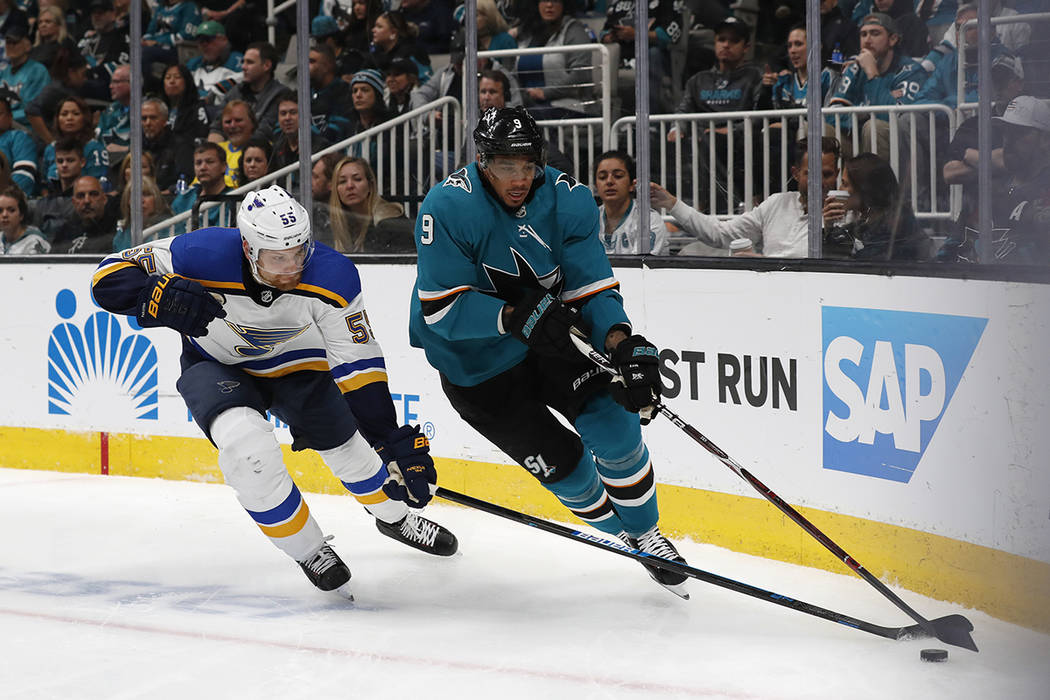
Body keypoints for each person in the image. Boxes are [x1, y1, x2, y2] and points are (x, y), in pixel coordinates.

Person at [90, 183, 458, 599]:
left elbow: (359, 364)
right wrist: (149, 295)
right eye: (277, 257)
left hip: (299, 369)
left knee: (354, 452)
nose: (291, 267)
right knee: (247, 453)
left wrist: (386, 438)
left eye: (298, 253)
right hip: (215, 365)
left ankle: (395, 517)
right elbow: (105, 275)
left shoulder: (333, 277)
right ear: (248, 248)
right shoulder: (199, 253)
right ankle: (310, 550)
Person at [409, 107, 690, 597]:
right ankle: (622, 535)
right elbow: (441, 310)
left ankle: (647, 533)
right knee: (568, 469)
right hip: (476, 368)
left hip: (550, 341)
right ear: (482, 161)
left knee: (616, 424)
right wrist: (513, 317)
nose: (519, 178)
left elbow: (591, 287)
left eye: (527, 164)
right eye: (504, 165)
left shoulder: (570, 200)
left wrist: (622, 345)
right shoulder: (447, 206)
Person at [654, 137, 842, 258]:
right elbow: (720, 234)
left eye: (827, 174)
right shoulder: (776, 203)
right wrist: (672, 204)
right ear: (795, 173)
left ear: (837, 173)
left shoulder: (845, 213)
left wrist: (761, 263)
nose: (819, 182)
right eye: (811, 174)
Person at [938, 54, 1024, 263]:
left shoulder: (1029, 123)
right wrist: (997, 161)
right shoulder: (974, 124)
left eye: (1005, 79)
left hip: (1014, 223)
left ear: (1020, 83)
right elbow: (949, 173)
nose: (999, 86)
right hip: (970, 222)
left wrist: (968, 154)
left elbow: (1011, 159)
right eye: (994, 81)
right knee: (936, 267)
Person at [826, 13, 925, 157]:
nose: (867, 40)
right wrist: (864, 115)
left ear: (893, 39)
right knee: (820, 129)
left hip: (899, 147)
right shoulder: (855, 68)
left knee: (873, 127)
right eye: (863, 34)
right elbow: (832, 116)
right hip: (858, 137)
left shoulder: (910, 70)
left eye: (875, 33)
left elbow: (896, 119)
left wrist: (872, 73)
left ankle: (879, 180)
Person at [822, 151, 927, 261]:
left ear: (863, 190)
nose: (840, 189)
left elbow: (856, 265)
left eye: (845, 184)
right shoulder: (870, 222)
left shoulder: (889, 233)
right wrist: (829, 228)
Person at [986, 96, 1050, 264]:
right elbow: (956, 244)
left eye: (1019, 132)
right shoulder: (989, 189)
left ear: (1045, 139)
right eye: (1005, 131)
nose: (1009, 139)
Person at [514, 0, 594, 120]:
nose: (549, 5)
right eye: (544, 0)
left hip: (569, 107)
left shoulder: (574, 31)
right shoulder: (527, 33)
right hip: (527, 105)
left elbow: (581, 74)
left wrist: (545, 93)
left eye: (555, 0)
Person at [599, 0, 682, 113]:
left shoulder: (666, 3)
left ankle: (651, 121)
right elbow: (604, 32)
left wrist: (637, 34)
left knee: (653, 54)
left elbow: (669, 36)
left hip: (656, 58)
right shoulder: (619, 4)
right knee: (603, 53)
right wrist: (610, 36)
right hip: (623, 57)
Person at [325, 155, 409, 253]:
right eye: (342, 181)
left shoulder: (387, 220)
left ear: (370, 185)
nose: (349, 186)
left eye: (357, 179)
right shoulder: (332, 223)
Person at [592, 150, 668, 255]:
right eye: (602, 177)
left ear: (632, 184)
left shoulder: (648, 221)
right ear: (596, 186)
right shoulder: (588, 220)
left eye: (618, 176)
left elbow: (639, 267)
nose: (609, 181)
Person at [209, 42, 285, 142]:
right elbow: (217, 127)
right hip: (230, 151)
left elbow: (264, 133)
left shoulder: (280, 95)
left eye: (249, 62)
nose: (243, 67)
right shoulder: (236, 91)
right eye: (243, 62)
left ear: (267, 65)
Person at [39, 95, 108, 192]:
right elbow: (44, 185)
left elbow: (100, 185)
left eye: (76, 114)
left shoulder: (95, 148)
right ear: (57, 119)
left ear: (85, 118)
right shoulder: (50, 149)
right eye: (64, 114)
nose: (69, 118)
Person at [172, 141, 234, 230]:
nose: (203, 167)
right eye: (198, 163)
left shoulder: (233, 199)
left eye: (209, 162)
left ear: (224, 166)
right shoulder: (184, 198)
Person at [51, 174, 120, 253]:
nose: (87, 201)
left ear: (104, 199)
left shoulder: (117, 230)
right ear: (74, 202)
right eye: (80, 196)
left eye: (93, 194)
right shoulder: (64, 233)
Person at [0, 24, 52, 129]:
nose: (11, 46)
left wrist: (5, 117)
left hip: (27, 128)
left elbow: (33, 110)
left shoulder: (38, 71)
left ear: (28, 46)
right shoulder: (4, 72)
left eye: (15, 42)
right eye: (8, 42)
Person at [187, 20, 244, 104]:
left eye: (208, 39)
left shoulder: (237, 60)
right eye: (200, 41)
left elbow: (244, 77)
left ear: (223, 40)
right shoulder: (193, 64)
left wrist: (216, 90)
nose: (204, 44)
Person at [366, 11, 432, 81]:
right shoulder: (376, 54)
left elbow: (427, 81)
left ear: (393, 32)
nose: (373, 30)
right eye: (374, 26)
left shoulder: (413, 53)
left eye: (379, 27)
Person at [111, 175, 173, 250]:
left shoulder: (171, 227)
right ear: (127, 201)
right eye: (134, 195)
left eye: (147, 195)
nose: (140, 200)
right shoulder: (121, 235)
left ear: (157, 199)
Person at [308, 43, 353, 142]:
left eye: (312, 62)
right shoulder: (304, 93)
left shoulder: (343, 91)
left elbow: (337, 130)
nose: (307, 67)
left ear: (327, 66)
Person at [162, 63, 210, 146]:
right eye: (167, 77)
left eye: (177, 77)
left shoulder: (197, 108)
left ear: (187, 81)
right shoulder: (159, 109)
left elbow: (202, 136)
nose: (172, 81)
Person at [0, 94, 39, 196]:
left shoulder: (18, 137)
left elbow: (24, 175)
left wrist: (6, 199)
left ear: (10, 117)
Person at [97, 62, 131, 166]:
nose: (111, 86)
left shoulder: (146, 110)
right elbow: (99, 136)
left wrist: (127, 149)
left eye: (116, 82)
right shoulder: (110, 110)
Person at [0, 184, 49, 253]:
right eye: (0, 211)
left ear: (21, 215)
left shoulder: (35, 242)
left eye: (11, 210)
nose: (4, 215)